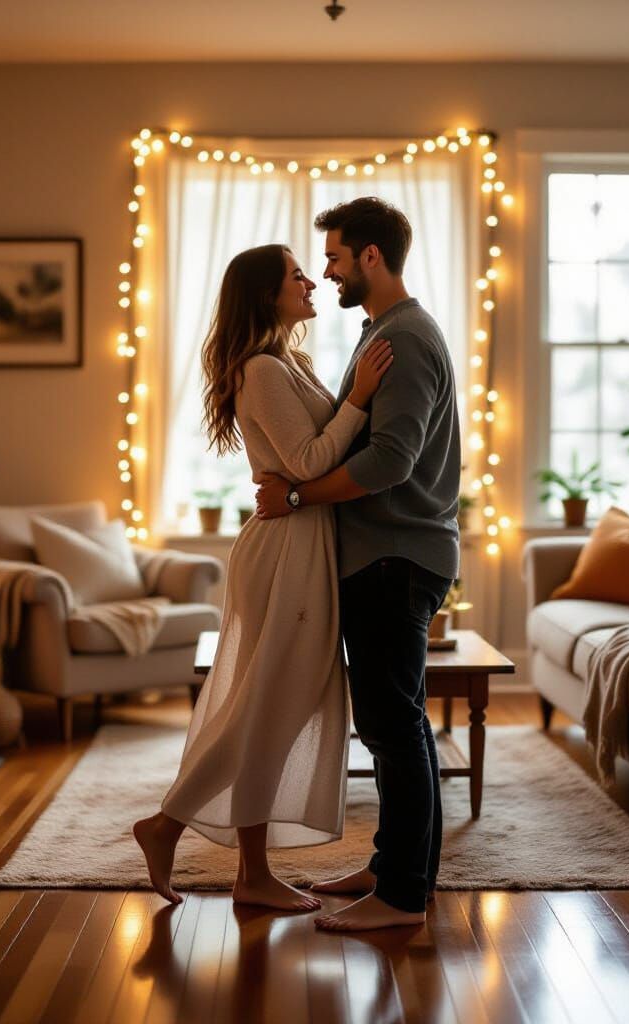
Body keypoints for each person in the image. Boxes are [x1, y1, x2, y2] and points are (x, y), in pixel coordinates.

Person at [133, 243, 393, 911]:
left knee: (275, 708)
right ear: (264, 294)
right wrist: (361, 399)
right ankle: (179, 832)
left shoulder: (289, 363)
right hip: (286, 550)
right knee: (267, 708)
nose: (311, 281)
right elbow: (306, 461)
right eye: (295, 275)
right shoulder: (261, 371)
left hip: (302, 542)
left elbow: (313, 458)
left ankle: (233, 863)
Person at [255, 197, 461, 932]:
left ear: (372, 257)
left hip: (395, 556)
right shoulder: (384, 332)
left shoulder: (403, 340)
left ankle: (402, 897)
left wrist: (298, 495)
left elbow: (388, 463)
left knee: (393, 726)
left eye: (337, 257)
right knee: (394, 723)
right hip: (389, 553)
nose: (329, 272)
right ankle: (393, 867)